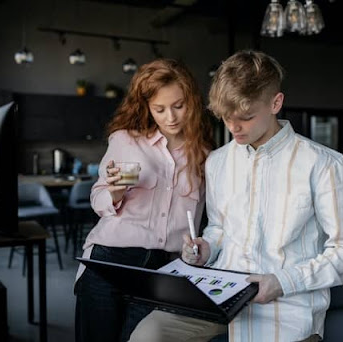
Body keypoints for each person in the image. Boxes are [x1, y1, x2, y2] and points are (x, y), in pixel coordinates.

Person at [129, 50, 343, 342]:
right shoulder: (217, 161)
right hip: (218, 295)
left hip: (286, 303)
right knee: (148, 334)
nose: (233, 128)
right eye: (226, 118)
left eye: (245, 117)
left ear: (275, 103)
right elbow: (218, 228)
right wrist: (206, 249)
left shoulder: (325, 164)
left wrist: (282, 282)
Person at [74, 58, 214, 342]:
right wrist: (113, 193)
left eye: (179, 106)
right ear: (146, 107)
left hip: (163, 272)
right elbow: (99, 198)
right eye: (159, 109)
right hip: (110, 261)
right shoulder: (127, 141)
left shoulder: (203, 154)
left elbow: (202, 222)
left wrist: (197, 250)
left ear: (192, 102)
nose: (170, 117)